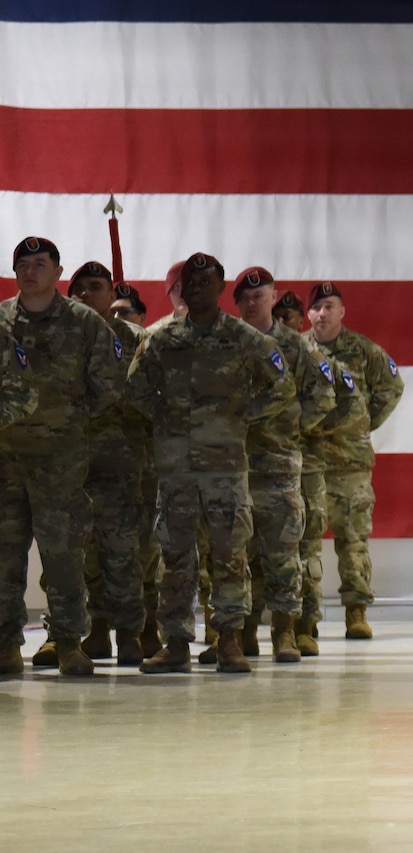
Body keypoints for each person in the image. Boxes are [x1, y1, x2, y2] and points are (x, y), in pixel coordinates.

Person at [127, 254, 288, 674]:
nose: (198, 286)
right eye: (191, 280)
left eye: (207, 280)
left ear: (221, 288)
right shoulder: (162, 338)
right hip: (176, 467)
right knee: (176, 557)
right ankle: (176, 642)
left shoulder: (243, 337)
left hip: (225, 466)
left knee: (230, 555)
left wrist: (244, 413)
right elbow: (135, 386)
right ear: (182, 287)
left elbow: (281, 383)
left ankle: (229, 640)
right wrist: (165, 418)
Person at [3, 238, 121, 676]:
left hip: (61, 459)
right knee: (4, 555)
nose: (30, 271)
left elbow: (108, 383)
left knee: (64, 553)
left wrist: (69, 419)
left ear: (57, 271)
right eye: (23, 265)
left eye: (40, 263)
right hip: (6, 458)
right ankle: (5, 646)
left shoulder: (84, 322)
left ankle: (68, 641)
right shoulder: (1, 321)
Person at [233, 267, 338, 662]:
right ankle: (240, 632)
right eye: (245, 296)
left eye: (260, 295)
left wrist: (292, 426)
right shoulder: (229, 342)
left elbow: (325, 395)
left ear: (274, 297)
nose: (252, 302)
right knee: (235, 555)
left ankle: (285, 633)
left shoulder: (295, 347)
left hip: (278, 465)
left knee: (282, 555)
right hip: (233, 465)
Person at [63, 261, 154, 664]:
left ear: (111, 292)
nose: (85, 294)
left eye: (95, 287)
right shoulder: (59, 336)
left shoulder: (136, 339)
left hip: (123, 467)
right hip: (69, 465)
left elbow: (157, 399)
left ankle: (130, 634)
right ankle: (90, 631)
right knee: (77, 557)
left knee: (123, 554)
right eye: (78, 288)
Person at [306, 281, 404, 641]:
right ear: (308, 313)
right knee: (306, 542)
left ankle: (356, 612)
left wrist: (362, 424)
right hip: (311, 463)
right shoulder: (299, 350)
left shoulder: (362, 350)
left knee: (353, 541)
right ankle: (307, 616)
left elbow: (392, 388)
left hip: (350, 464)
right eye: (316, 308)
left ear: (342, 311)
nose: (322, 313)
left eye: (329, 306)